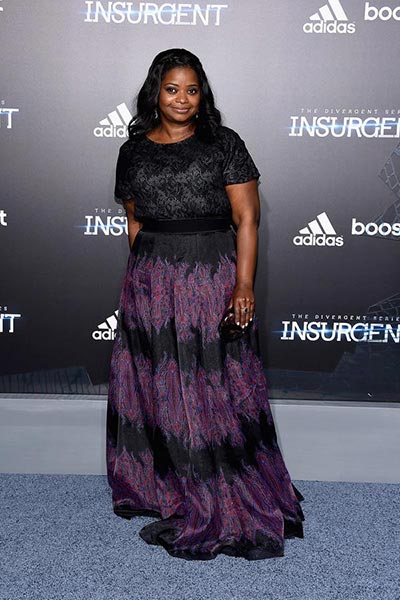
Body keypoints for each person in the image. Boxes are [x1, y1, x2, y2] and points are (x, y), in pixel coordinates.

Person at [106, 48, 304, 561]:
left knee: (211, 381)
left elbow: (247, 220)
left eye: (191, 90)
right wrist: (144, 279)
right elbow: (134, 219)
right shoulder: (133, 151)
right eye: (172, 89)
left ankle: (221, 488)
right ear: (155, 92)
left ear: (202, 95)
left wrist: (243, 286)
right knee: (158, 382)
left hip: (210, 273)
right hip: (151, 277)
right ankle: (164, 485)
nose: (182, 99)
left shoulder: (224, 144)